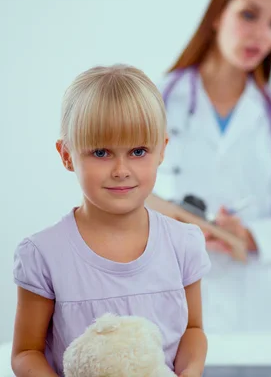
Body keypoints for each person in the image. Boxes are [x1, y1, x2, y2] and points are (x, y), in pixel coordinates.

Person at [11, 65, 211, 377]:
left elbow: (194, 330)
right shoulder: (44, 254)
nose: (121, 170)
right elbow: (26, 353)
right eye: (101, 152)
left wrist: (190, 371)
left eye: (138, 151)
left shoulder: (183, 243)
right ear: (66, 155)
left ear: (162, 151)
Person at [145, 0, 271, 334]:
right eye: (249, 15)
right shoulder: (157, 98)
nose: (262, 34)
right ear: (217, 15)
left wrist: (249, 236)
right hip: (172, 295)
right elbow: (126, 194)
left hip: (260, 306)